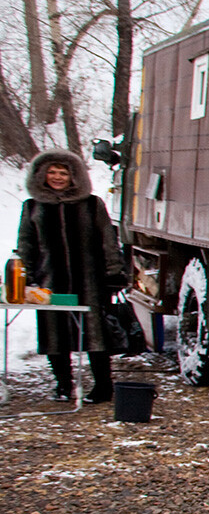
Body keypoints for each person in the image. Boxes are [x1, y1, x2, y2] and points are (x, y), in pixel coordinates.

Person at [16, 149, 127, 403]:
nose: (57, 177)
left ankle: (103, 386)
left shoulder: (92, 204)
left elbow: (108, 240)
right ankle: (64, 384)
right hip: (48, 282)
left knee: (95, 334)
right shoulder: (32, 206)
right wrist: (25, 277)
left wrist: (114, 272)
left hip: (90, 280)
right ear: (41, 176)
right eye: (52, 172)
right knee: (54, 335)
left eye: (63, 172)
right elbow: (25, 245)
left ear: (73, 176)